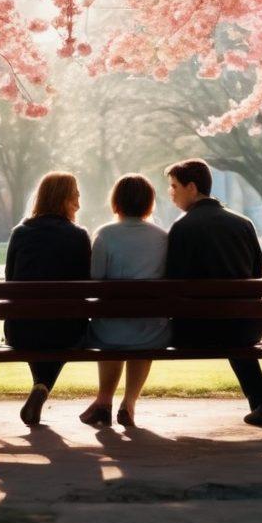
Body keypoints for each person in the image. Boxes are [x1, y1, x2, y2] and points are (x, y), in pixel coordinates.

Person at [165, 158, 262, 427]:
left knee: (220, 325)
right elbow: (257, 273)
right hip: (246, 326)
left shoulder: (182, 228)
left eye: (174, 187)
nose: (171, 193)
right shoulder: (243, 224)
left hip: (195, 331)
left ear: (192, 188)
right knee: (231, 327)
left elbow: (173, 281)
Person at [79, 174, 170, 429]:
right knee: (143, 327)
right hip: (151, 331)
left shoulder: (105, 234)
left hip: (108, 331)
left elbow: (95, 278)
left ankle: (104, 401)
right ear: (149, 203)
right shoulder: (162, 237)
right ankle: (129, 403)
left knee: (111, 326)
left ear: (116, 201)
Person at [4, 172, 91, 426]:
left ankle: (40, 386)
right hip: (66, 331)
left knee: (38, 327)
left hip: (21, 330)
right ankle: (41, 387)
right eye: (76, 196)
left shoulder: (20, 232)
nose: (79, 202)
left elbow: (10, 280)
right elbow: (85, 286)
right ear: (63, 199)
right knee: (62, 330)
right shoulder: (78, 235)